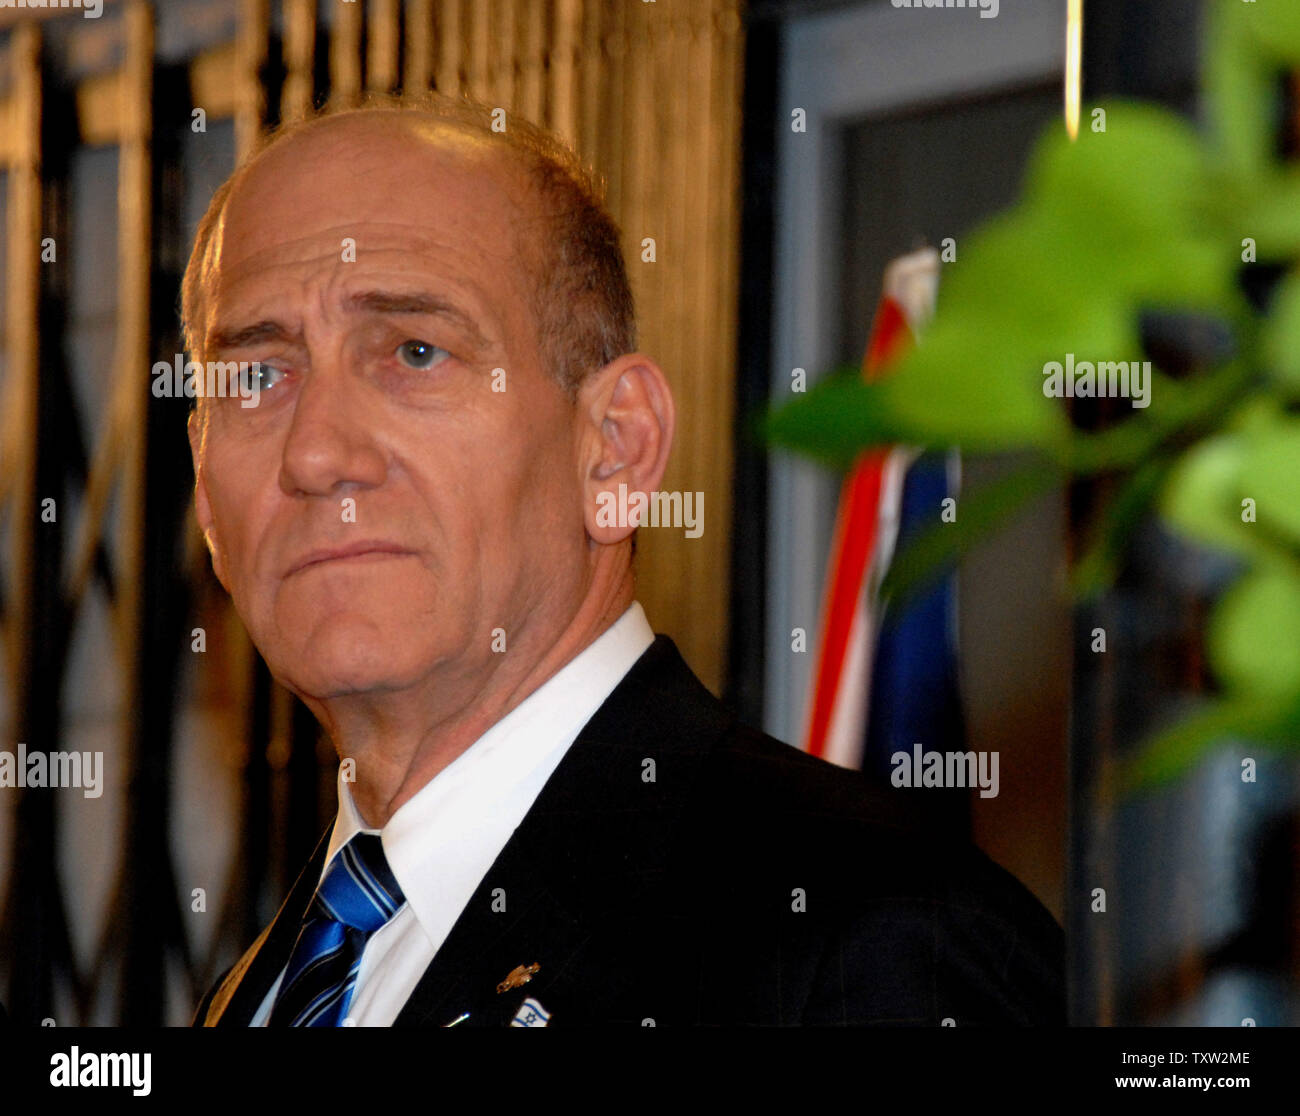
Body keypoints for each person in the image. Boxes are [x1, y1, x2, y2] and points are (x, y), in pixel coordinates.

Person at [187, 93, 1063, 1027]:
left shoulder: (877, 945)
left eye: (414, 350)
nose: (317, 455)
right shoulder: (262, 992)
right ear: (204, 495)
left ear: (616, 448)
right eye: (258, 376)